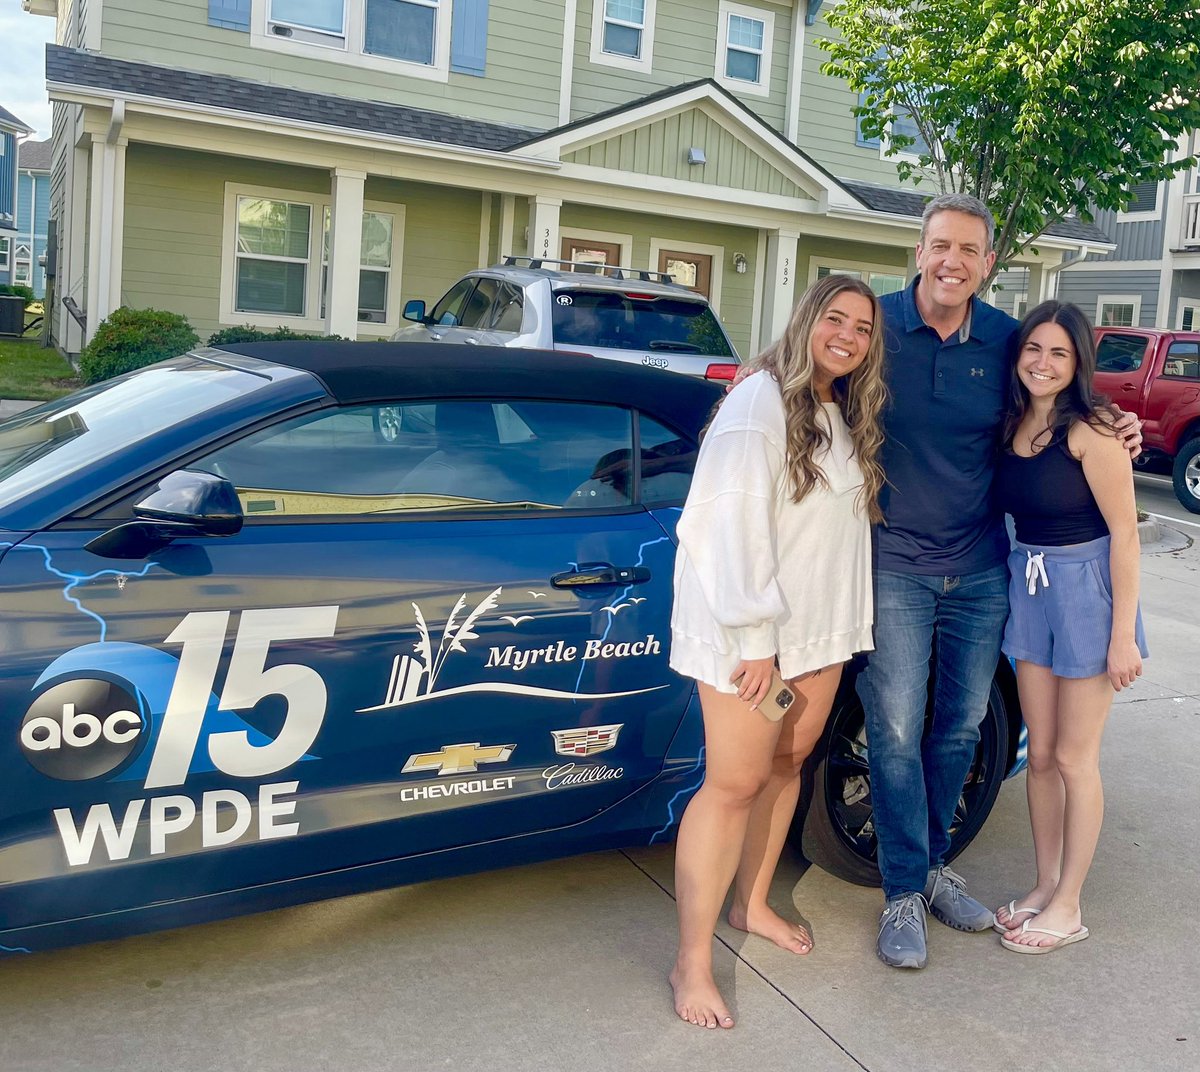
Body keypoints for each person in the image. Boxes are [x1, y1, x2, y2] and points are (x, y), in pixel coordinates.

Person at [859, 193, 1143, 971]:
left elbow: (1061, 392)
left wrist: (1121, 423)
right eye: (940, 245)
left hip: (987, 571)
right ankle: (903, 894)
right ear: (919, 250)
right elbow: (807, 377)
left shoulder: (1006, 339)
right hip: (897, 570)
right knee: (891, 733)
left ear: (989, 263)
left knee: (959, 731)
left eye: (970, 250)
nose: (953, 261)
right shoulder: (873, 328)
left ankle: (936, 866)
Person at [668, 274, 888, 1029]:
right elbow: (724, 524)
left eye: (863, 328)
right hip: (753, 642)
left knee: (786, 766)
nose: (849, 336)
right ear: (805, 320)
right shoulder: (759, 401)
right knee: (730, 786)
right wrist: (756, 640)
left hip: (819, 637)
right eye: (837, 318)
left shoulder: (841, 406)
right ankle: (691, 963)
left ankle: (752, 903)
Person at [991, 301, 1147, 953]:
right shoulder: (1010, 426)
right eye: (1034, 349)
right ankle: (1045, 884)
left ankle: (1070, 906)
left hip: (1087, 596)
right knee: (1044, 756)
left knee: (1077, 760)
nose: (1043, 363)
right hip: (1030, 592)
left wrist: (1119, 635)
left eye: (1059, 352)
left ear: (1078, 361)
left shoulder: (1095, 430)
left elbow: (1125, 538)